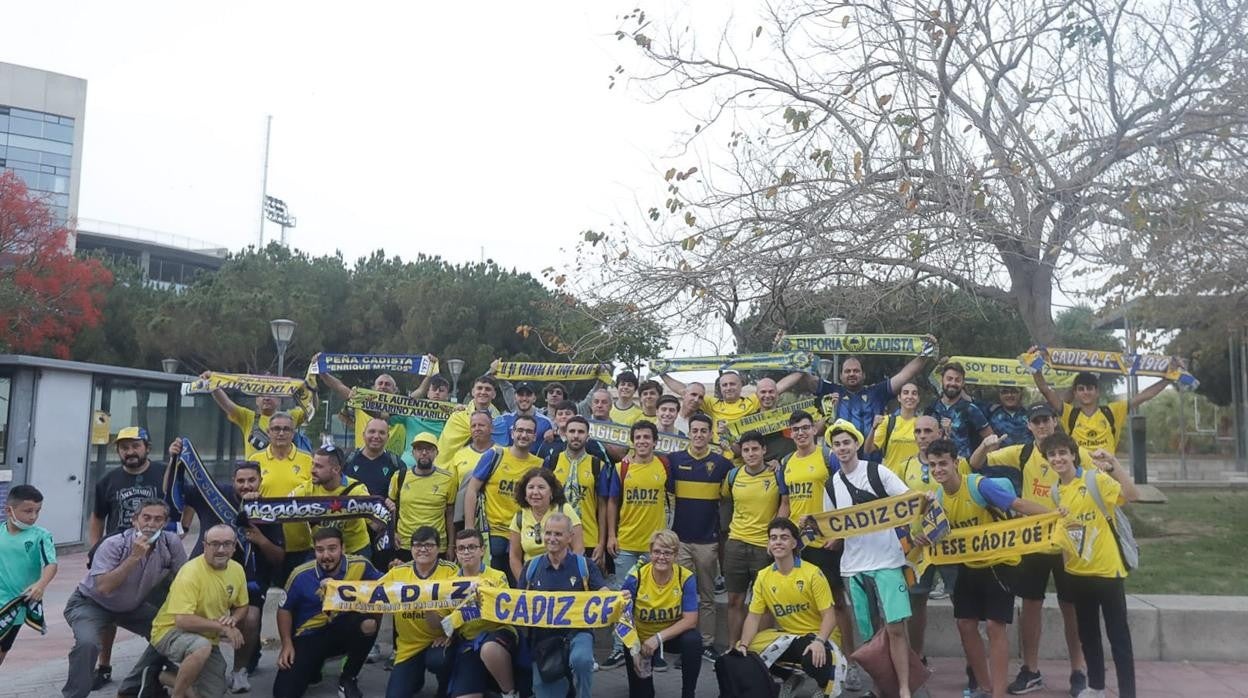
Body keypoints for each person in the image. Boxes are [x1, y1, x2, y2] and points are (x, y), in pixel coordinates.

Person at [970, 403, 1090, 696]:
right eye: (1036, 421)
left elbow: (1099, 480)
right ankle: (1031, 670)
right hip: (1034, 541)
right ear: (1029, 425)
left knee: (1071, 608)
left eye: (1046, 420)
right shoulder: (1023, 452)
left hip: (1068, 542)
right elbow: (975, 465)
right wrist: (986, 444)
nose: (1041, 426)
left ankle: (1078, 671)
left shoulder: (1073, 451)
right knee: (1031, 606)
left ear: (1054, 422)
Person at [923, 439, 1051, 698]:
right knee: (965, 624)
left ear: (956, 463)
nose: (938, 469)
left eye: (943, 463)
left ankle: (999, 693)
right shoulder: (937, 498)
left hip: (1000, 564)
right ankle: (984, 685)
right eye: (933, 464)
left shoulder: (979, 485)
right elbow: (933, 538)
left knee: (994, 625)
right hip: (970, 566)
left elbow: (1019, 505)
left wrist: (1056, 516)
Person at [170, 455, 285, 693]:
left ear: (260, 481)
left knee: (251, 618)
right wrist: (174, 459)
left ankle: (239, 671)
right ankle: (177, 663)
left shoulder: (268, 509)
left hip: (248, 579)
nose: (246, 485)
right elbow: (175, 490)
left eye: (251, 480)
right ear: (232, 480)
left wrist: (261, 540)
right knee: (185, 617)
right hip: (205, 575)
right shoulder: (213, 494)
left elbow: (278, 558)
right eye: (241, 480)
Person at [821, 420, 916, 698]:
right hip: (854, 568)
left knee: (896, 628)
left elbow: (909, 501)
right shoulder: (831, 485)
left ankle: (904, 687)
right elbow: (834, 529)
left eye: (846, 442)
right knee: (871, 635)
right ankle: (880, 687)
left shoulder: (877, 472)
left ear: (856, 444)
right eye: (837, 444)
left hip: (887, 561)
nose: (842, 448)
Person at [1041, 432, 1139, 698]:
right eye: (1052, 454)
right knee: (1088, 635)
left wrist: (1114, 464)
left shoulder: (1094, 480)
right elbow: (1065, 537)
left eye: (1062, 452)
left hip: (1107, 571)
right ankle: (1096, 687)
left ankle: (1127, 692)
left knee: (1118, 637)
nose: (1058, 458)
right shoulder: (1055, 491)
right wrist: (1067, 569)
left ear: (1073, 454)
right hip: (1077, 574)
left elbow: (1131, 494)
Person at [62, 499, 187, 698]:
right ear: (134, 520)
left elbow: (184, 580)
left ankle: (135, 684)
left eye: (157, 519)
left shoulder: (170, 543)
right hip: (91, 604)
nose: (150, 524)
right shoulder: (114, 543)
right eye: (146, 518)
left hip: (131, 607)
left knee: (170, 633)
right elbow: (104, 587)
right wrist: (134, 557)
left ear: (164, 523)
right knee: (88, 644)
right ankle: (75, 695)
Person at [88, 426, 173, 690]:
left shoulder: (164, 474)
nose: (130, 451)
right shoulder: (107, 481)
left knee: (160, 611)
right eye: (125, 447)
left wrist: (176, 535)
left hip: (157, 556)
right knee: (108, 611)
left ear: (147, 448)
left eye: (136, 446)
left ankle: (159, 663)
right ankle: (103, 665)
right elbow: (98, 517)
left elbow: (186, 502)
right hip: (119, 556)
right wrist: (95, 549)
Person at [776, 410, 858, 684]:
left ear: (814, 430)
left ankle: (850, 661)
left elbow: (846, 492)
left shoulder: (828, 457)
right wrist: (780, 537)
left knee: (837, 602)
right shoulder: (786, 462)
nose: (800, 432)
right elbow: (786, 504)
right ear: (790, 432)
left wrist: (841, 534)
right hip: (799, 544)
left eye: (805, 427)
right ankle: (806, 662)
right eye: (795, 429)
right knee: (802, 600)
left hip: (826, 542)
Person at [733, 518, 841, 696]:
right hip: (790, 636)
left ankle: (824, 686)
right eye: (773, 538)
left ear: (793, 543)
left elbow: (830, 616)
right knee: (746, 650)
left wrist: (820, 641)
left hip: (820, 636)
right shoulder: (763, 576)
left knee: (812, 655)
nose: (778, 542)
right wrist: (743, 645)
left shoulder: (812, 573)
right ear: (768, 544)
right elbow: (753, 617)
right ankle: (790, 677)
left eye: (784, 537)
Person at [521, 513, 623, 698]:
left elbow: (602, 593)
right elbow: (517, 601)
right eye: (548, 533)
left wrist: (617, 598)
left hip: (578, 632)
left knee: (582, 660)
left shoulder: (585, 565)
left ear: (570, 537)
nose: (552, 539)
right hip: (543, 639)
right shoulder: (531, 567)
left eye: (558, 534)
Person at [275, 526, 382, 698]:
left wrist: (398, 569)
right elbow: (284, 609)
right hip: (309, 635)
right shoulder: (300, 574)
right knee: (283, 693)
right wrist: (286, 643)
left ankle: (349, 678)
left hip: (344, 629)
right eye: (320, 550)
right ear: (314, 551)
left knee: (369, 623)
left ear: (343, 548)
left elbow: (384, 587)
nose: (326, 555)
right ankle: (314, 667)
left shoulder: (361, 565)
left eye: (332, 549)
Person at [147, 524, 248, 698]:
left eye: (227, 544)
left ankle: (161, 676)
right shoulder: (190, 572)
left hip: (208, 634)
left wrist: (234, 620)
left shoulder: (237, 569)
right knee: (201, 647)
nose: (221, 549)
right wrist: (223, 628)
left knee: (214, 692)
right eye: (215, 544)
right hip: (169, 631)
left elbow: (242, 605)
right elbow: (182, 620)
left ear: (234, 546)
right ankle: (177, 695)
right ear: (204, 545)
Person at [665, 413, 733, 661]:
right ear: (689, 432)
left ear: (710, 434)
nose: (699, 435)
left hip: (708, 541)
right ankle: (685, 643)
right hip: (680, 541)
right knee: (682, 595)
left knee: (707, 596)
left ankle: (705, 644)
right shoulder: (673, 460)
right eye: (694, 430)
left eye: (704, 431)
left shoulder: (722, 464)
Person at [602, 420, 669, 669]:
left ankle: (654, 649)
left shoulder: (664, 466)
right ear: (632, 441)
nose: (642, 441)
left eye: (646, 437)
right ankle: (621, 648)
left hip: (655, 546)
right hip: (627, 543)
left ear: (655, 441)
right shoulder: (622, 467)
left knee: (653, 599)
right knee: (623, 597)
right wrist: (611, 535)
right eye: (638, 437)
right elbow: (611, 503)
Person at [894, 416, 961, 658]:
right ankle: (917, 658)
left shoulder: (953, 463)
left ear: (939, 433)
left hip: (950, 545)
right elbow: (896, 509)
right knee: (916, 602)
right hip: (916, 547)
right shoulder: (904, 466)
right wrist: (908, 536)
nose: (922, 436)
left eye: (928, 431)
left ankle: (973, 666)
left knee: (960, 603)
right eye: (918, 431)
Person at [721, 430, 788, 651]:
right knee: (735, 601)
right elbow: (726, 500)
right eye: (746, 449)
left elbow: (784, 505)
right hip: (736, 543)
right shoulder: (733, 476)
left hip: (764, 547)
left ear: (764, 450)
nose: (750, 454)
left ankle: (761, 651)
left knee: (765, 603)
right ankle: (733, 647)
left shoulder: (776, 473)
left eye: (755, 449)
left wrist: (774, 539)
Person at [799, 338, 936, 445]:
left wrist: (925, 353)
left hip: (872, 462)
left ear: (863, 375)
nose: (852, 374)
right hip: (840, 463)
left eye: (856, 371)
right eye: (847, 371)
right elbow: (804, 376)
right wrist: (790, 352)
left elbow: (905, 375)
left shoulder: (877, 392)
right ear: (840, 376)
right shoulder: (832, 391)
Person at [464, 414, 546, 583]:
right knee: (489, 585)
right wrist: (470, 528)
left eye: (529, 432)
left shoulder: (540, 464)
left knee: (521, 586)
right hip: (493, 534)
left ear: (534, 436)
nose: (524, 435)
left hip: (524, 534)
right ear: (512, 432)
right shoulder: (495, 455)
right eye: (520, 430)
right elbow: (472, 489)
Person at [381, 526, 461, 698]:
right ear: (410, 549)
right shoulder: (398, 572)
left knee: (439, 661)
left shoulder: (451, 571)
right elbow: (368, 592)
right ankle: (415, 678)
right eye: (417, 545)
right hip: (408, 646)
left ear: (438, 548)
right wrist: (335, 588)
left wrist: (451, 634)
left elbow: (462, 609)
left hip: (440, 641)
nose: (423, 549)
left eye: (429, 545)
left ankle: (446, 684)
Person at [621, 529, 701, 698]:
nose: (662, 557)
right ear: (650, 553)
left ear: (676, 555)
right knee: (643, 694)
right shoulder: (636, 578)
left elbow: (691, 620)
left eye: (667, 553)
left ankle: (688, 693)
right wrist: (633, 648)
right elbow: (622, 619)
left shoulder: (685, 577)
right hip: (640, 640)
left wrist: (658, 638)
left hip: (669, 637)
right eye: (657, 552)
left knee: (693, 640)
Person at [1032, 357, 1174, 452]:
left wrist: (1168, 379)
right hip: (1080, 478)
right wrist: (1034, 365)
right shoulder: (1070, 414)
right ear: (1075, 393)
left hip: (1108, 479)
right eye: (1081, 389)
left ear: (1097, 391)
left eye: (1090, 388)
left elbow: (1145, 395)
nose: (1086, 392)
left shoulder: (1112, 411)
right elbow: (1045, 390)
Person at [445, 528, 519, 698]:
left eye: (472, 547)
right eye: (461, 548)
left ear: (482, 550)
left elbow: (506, 610)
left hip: (498, 633)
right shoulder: (448, 583)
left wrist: (484, 596)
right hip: (468, 642)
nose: (466, 552)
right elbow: (445, 623)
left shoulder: (497, 576)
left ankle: (509, 693)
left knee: (488, 649)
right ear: (456, 552)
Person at [543, 415, 618, 571]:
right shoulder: (553, 461)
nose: (576, 435)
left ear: (588, 436)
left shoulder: (597, 465)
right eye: (572, 431)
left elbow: (603, 506)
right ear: (566, 434)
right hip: (555, 537)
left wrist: (601, 543)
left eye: (581, 432)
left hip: (588, 538)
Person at [251, 412, 315, 578]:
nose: (281, 433)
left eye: (286, 429)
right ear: (268, 431)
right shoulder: (255, 460)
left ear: (293, 433)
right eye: (276, 429)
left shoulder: (308, 460)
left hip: (300, 544)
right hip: (266, 543)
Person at [0, 485, 57, 667]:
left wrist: (41, 584)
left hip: (14, 606)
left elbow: (51, 564)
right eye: (28, 511)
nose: (33, 516)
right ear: (9, 510)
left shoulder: (41, 536)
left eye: (37, 511)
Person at [287, 445, 372, 557]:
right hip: (320, 550)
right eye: (312, 464)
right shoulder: (308, 488)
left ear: (336, 469)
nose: (312, 470)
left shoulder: (356, 490)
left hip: (355, 551)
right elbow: (281, 507)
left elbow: (376, 520)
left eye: (319, 466)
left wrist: (388, 508)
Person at [200, 370, 308, 459]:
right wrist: (212, 383)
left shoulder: (291, 417)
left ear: (280, 399)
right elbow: (226, 404)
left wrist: (310, 384)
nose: (266, 397)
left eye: (272, 393)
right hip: (253, 477)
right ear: (256, 399)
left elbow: (311, 406)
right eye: (262, 394)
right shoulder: (247, 417)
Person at [386, 432, 457, 565]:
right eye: (419, 449)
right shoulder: (399, 477)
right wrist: (393, 533)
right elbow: (390, 508)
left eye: (429, 449)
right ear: (412, 453)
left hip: (436, 545)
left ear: (437, 453)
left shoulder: (448, 479)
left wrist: (451, 545)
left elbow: (450, 513)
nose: (424, 453)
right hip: (405, 543)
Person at [317, 363, 410, 456]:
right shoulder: (361, 403)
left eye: (387, 384)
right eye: (380, 383)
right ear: (373, 388)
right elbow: (338, 387)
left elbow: (419, 398)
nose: (383, 386)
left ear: (395, 390)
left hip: (393, 464)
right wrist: (322, 371)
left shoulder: (404, 410)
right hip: (362, 460)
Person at [508, 468, 584, 580]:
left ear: (551, 492)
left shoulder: (564, 510)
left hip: (564, 575)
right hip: (532, 578)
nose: (535, 492)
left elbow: (579, 548)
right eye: (531, 487)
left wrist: (566, 577)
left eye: (541, 487)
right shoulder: (519, 517)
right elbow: (514, 557)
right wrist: (524, 583)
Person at [926, 362, 994, 459]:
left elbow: (992, 440)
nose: (953, 383)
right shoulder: (931, 409)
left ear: (963, 383)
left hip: (963, 468)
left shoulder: (971, 409)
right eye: (949, 379)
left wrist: (977, 461)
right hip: (935, 465)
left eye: (957, 380)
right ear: (942, 380)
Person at [448, 410, 502, 531]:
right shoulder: (459, 455)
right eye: (474, 426)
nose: (477, 429)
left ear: (491, 428)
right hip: (464, 519)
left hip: (493, 520)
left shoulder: (502, 453)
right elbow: (453, 493)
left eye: (481, 425)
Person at [436, 375, 501, 468]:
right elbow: (445, 448)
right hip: (449, 469)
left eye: (487, 389)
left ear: (494, 394)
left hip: (486, 469)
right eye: (479, 388)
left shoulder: (498, 422)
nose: (483, 392)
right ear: (473, 392)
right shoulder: (458, 416)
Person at [866, 382, 923, 475]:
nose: (910, 396)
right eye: (905, 392)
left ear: (918, 399)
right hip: (891, 479)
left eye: (914, 393)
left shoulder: (922, 424)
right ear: (899, 398)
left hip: (914, 478)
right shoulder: (887, 421)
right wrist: (873, 428)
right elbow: (868, 450)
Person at [346, 417, 405, 498]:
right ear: (364, 435)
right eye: (372, 431)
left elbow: (402, 496)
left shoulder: (397, 464)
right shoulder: (347, 460)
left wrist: (393, 503)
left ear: (387, 437)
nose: (376, 436)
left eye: (382, 433)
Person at [492, 380, 556, 451]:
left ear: (534, 398)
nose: (524, 398)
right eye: (521, 395)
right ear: (515, 397)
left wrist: (555, 433)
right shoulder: (504, 419)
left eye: (528, 395)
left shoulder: (546, 422)